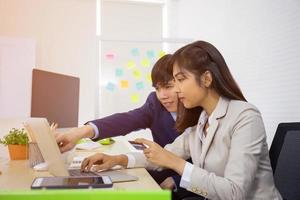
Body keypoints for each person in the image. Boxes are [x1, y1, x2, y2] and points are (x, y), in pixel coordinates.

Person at [80, 41, 282, 200]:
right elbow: (163, 155)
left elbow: (234, 193)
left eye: (180, 80)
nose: (175, 90)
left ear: (206, 79)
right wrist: (118, 160)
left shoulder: (245, 117)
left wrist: (176, 164)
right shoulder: (202, 121)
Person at [55, 54, 182, 187]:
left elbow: (203, 170)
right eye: (157, 88)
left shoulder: (199, 113)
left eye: (168, 87)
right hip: (159, 170)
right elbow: (127, 120)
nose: (162, 95)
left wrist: (178, 182)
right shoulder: (155, 103)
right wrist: (80, 132)